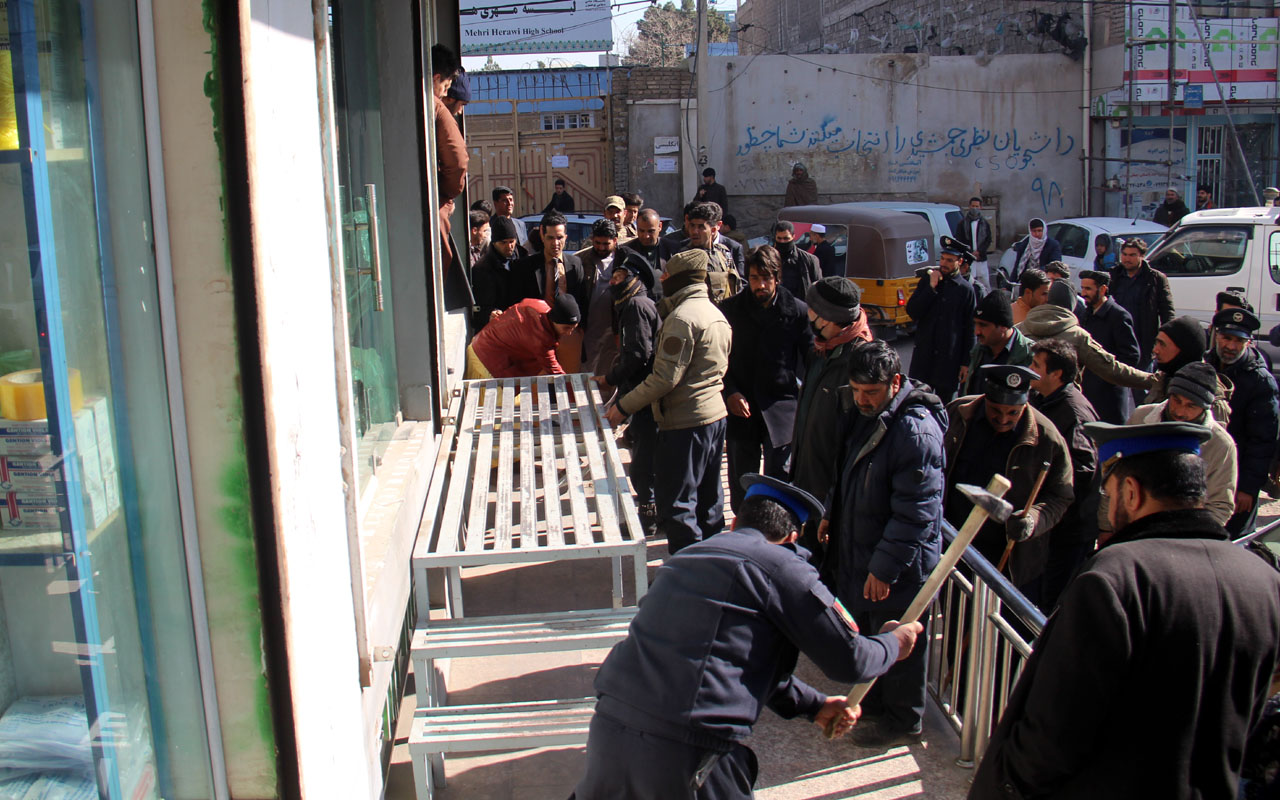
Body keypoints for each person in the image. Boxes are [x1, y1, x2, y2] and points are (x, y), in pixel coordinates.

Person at [968, 421, 1280, 799]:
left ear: (1131, 492)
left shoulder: (1115, 578)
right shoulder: (1264, 581)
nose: (1108, 501)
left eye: (1109, 490)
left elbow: (1053, 732)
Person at [572, 474, 923, 800]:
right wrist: (894, 643)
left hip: (608, 736)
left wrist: (813, 705)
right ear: (792, 538)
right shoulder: (784, 567)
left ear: (735, 523)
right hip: (685, 753)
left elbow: (732, 658)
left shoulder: (686, 559)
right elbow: (853, 660)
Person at [820, 340, 945, 748]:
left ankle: (903, 718)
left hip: (896, 562)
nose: (861, 400)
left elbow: (916, 511)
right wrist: (830, 513)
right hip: (863, 545)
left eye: (870, 393)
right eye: (856, 391)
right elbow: (849, 470)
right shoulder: (864, 414)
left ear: (894, 383)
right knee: (870, 630)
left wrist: (884, 567)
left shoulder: (915, 430)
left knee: (899, 635)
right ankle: (874, 703)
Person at [606, 249, 731, 554]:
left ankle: (685, 576)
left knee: (678, 503)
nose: (662, 279)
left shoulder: (681, 319)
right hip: (714, 417)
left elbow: (664, 378)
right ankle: (712, 568)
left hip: (685, 422)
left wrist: (622, 408)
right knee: (709, 500)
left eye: (667, 275)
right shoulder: (714, 313)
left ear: (681, 279)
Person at [943, 364, 1074, 603]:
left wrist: (1033, 519)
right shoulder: (958, 414)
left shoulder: (1047, 438)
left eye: (1013, 413)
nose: (1003, 419)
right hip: (952, 547)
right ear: (985, 399)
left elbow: (1061, 496)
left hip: (1009, 562)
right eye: (995, 410)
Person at [721, 246, 813, 512]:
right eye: (753, 278)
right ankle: (743, 532)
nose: (760, 285)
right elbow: (719, 360)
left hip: (782, 408)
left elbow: (809, 361)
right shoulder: (730, 310)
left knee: (779, 480)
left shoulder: (797, 311)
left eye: (766, 278)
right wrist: (730, 392)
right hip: (742, 408)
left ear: (777, 277)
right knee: (742, 481)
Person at [791, 277, 873, 565]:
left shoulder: (859, 362)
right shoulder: (823, 349)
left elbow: (857, 439)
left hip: (830, 497)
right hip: (806, 481)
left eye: (813, 310)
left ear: (828, 318)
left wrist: (832, 501)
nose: (807, 315)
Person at [1116, 362, 1237, 529]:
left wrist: (1185, 538)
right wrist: (1109, 527)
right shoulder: (1141, 418)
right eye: (1176, 400)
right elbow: (1118, 476)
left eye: (1191, 406)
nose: (1180, 411)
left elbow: (1220, 506)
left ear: (1204, 408)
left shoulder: (1221, 445)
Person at [1027, 339, 1099, 608]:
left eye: (1036, 365)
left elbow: (1083, 471)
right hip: (1048, 526)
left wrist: (1045, 486)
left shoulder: (1073, 412)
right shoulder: (1041, 399)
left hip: (1068, 529)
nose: (1030, 369)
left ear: (1056, 374)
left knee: (1053, 600)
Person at [595, 255, 660, 533]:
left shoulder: (635, 306)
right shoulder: (633, 304)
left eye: (620, 277)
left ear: (635, 280)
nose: (614, 281)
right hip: (641, 394)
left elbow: (637, 355)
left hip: (645, 397)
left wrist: (611, 379)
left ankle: (648, 519)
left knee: (643, 466)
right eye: (614, 276)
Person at [1206, 307, 1279, 536]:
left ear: (1248, 343)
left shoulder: (1260, 382)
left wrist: (1248, 488)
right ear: (1217, 335)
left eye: (1238, 340)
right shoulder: (1203, 367)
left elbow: (1263, 441)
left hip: (1237, 483)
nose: (1230, 346)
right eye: (1226, 338)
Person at [1018, 280, 1158, 398]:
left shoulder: (1019, 329)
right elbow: (1111, 369)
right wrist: (1152, 380)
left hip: (1022, 403)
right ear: (1072, 305)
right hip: (1063, 405)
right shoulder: (1078, 336)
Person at [905, 239, 977, 402]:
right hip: (924, 359)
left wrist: (966, 363)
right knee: (917, 403)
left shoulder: (965, 290)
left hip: (948, 362)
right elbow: (913, 311)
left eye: (949, 260)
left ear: (959, 262)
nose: (944, 263)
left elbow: (970, 329)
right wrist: (931, 288)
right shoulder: (928, 282)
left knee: (945, 407)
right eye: (942, 259)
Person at [1078, 269, 1140, 424]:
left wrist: (1107, 374)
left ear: (1103, 289)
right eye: (1083, 288)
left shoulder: (1118, 316)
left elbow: (1131, 356)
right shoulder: (1087, 314)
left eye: (1089, 289)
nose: (1084, 293)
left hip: (1109, 398)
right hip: (1088, 393)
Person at [465, 295, 579, 378]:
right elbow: (555, 373)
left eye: (573, 328)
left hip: (479, 343)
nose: (569, 333)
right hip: (486, 361)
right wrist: (578, 397)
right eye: (566, 328)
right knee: (495, 408)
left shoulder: (538, 305)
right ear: (554, 320)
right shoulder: (541, 338)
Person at [1108, 237, 1174, 370]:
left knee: (1140, 383)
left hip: (1143, 340)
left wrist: (1165, 339)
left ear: (1142, 256)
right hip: (1117, 339)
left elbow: (1167, 311)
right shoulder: (1114, 276)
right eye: (1124, 255)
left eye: (1132, 255)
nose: (1127, 259)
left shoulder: (1155, 279)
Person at [962, 289, 1033, 396]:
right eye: (975, 324)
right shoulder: (980, 349)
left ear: (1003, 327)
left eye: (983, 325)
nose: (977, 331)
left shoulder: (1029, 355)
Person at [577, 219, 621, 377]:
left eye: (606, 244)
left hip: (616, 327)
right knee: (589, 372)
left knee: (612, 370)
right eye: (597, 243)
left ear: (615, 241)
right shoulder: (582, 260)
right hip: (590, 328)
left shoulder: (623, 259)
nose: (601, 248)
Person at [469, 215, 523, 330]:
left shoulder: (524, 260)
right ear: (494, 243)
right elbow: (478, 308)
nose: (509, 246)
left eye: (511, 242)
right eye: (503, 243)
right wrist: (489, 314)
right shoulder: (482, 269)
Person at [616, 208, 664, 301]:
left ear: (660, 226)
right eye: (641, 231)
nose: (646, 236)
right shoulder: (625, 252)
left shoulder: (671, 248)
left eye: (651, 231)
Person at [772, 220, 821, 299]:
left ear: (793, 236)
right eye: (779, 238)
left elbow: (818, 288)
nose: (782, 242)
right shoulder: (768, 258)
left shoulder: (808, 260)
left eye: (786, 238)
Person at [1008, 218, 1062, 283]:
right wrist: (1010, 285)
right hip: (1025, 281)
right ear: (1030, 231)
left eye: (1039, 231)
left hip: (1044, 281)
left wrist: (1036, 272)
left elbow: (1054, 265)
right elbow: (1017, 266)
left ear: (1044, 230)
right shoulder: (1025, 244)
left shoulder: (1052, 245)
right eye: (1034, 231)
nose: (1037, 234)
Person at [956, 197, 993, 289]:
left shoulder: (984, 223)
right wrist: (970, 252)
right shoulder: (962, 223)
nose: (974, 208)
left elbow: (988, 240)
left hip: (981, 258)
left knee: (985, 283)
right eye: (973, 206)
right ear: (969, 206)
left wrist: (979, 251)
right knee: (969, 282)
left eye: (977, 206)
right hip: (968, 258)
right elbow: (959, 240)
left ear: (980, 207)